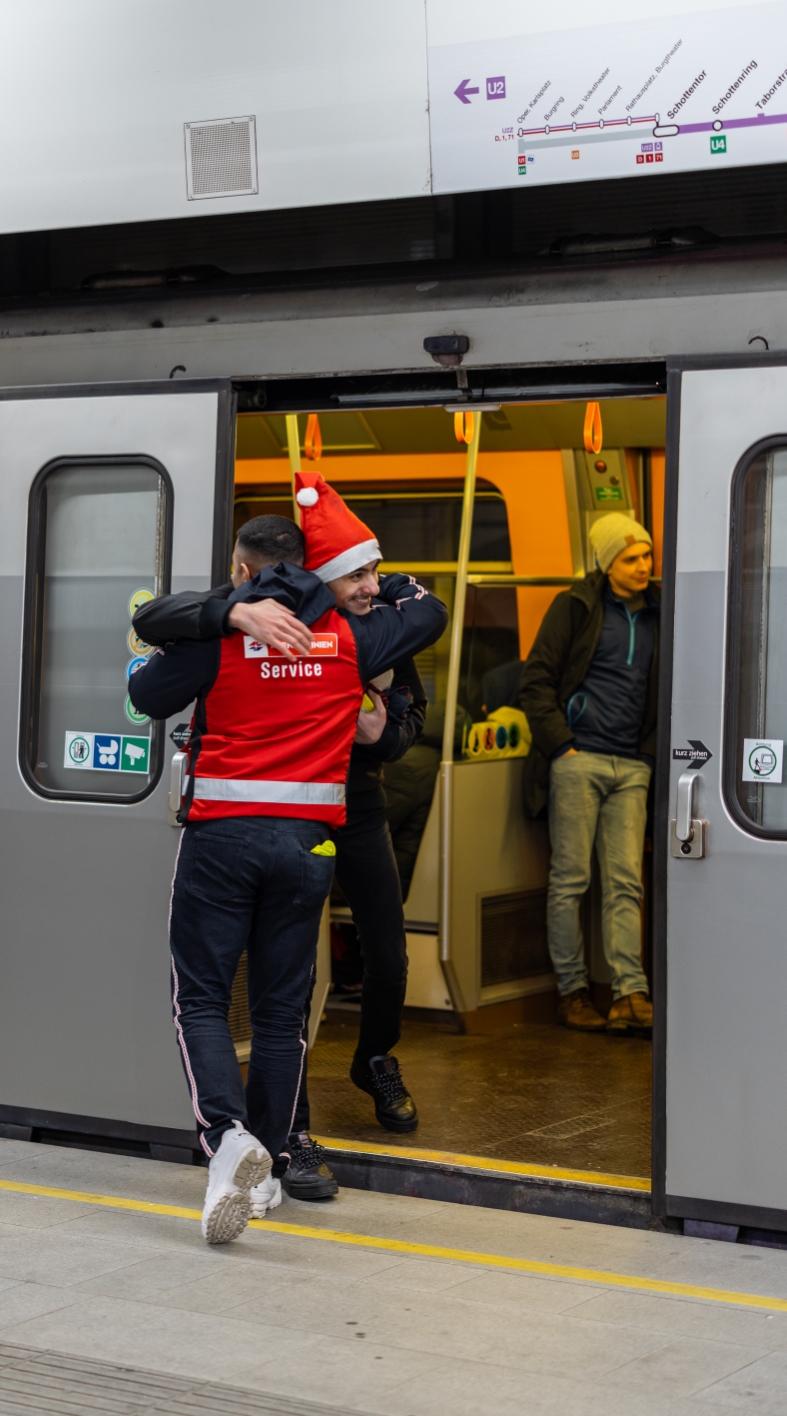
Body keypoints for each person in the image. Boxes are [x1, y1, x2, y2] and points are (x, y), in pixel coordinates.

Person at [129, 492, 446, 1243]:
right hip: (308, 848)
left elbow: (145, 685)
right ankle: (260, 1168)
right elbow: (426, 615)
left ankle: (228, 1140)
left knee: (202, 999)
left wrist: (229, 612)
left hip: (222, 842)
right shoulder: (354, 639)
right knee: (280, 1013)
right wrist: (387, 587)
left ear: (242, 570)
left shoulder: (219, 634)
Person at [519, 513, 659, 1036]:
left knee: (626, 882)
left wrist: (646, 756)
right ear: (607, 563)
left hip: (631, 765)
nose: (643, 565)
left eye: (646, 555)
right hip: (580, 760)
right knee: (572, 881)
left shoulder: (659, 613)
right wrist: (563, 747)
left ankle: (630, 993)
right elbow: (537, 680)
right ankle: (573, 992)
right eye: (631, 558)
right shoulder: (576, 607)